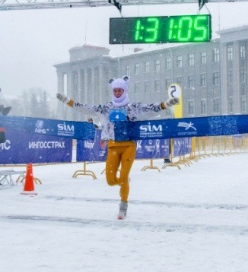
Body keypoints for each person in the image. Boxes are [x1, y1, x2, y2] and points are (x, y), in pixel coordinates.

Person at [57, 76, 178, 219]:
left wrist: (166, 104)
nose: (118, 93)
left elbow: (150, 108)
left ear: (125, 90)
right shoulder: (106, 108)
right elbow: (86, 108)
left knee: (124, 176)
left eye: (120, 90)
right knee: (110, 180)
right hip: (113, 147)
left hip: (129, 146)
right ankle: (124, 182)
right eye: (115, 90)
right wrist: (67, 101)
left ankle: (123, 207)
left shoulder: (132, 107)